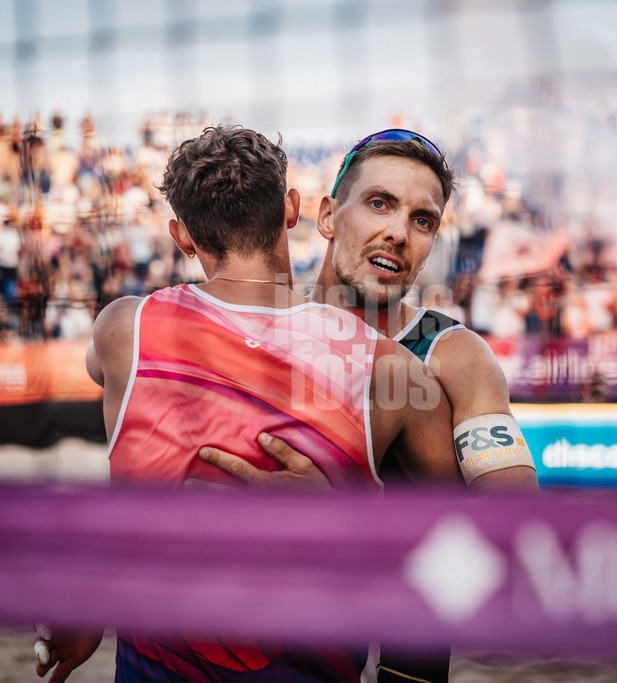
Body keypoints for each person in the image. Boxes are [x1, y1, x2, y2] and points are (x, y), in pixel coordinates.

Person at [34, 125, 461, 683]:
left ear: (182, 237)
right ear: (292, 208)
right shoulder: (392, 369)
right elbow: (466, 549)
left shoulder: (124, 331)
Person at [200, 129, 539, 682]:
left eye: (422, 220)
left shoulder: (451, 356)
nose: (398, 233)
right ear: (328, 216)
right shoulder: (248, 332)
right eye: (379, 204)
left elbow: (517, 537)